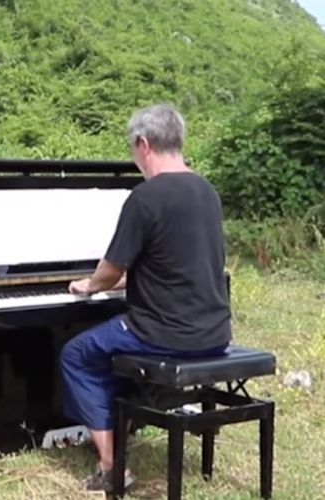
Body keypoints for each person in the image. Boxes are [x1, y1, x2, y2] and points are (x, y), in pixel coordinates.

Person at [60, 103, 232, 492]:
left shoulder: (145, 197)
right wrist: (121, 283)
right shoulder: (207, 191)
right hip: (214, 332)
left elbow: (111, 272)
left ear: (143, 143)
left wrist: (89, 285)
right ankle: (124, 421)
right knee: (104, 348)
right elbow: (170, 265)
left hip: (163, 334)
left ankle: (111, 467)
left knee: (76, 354)